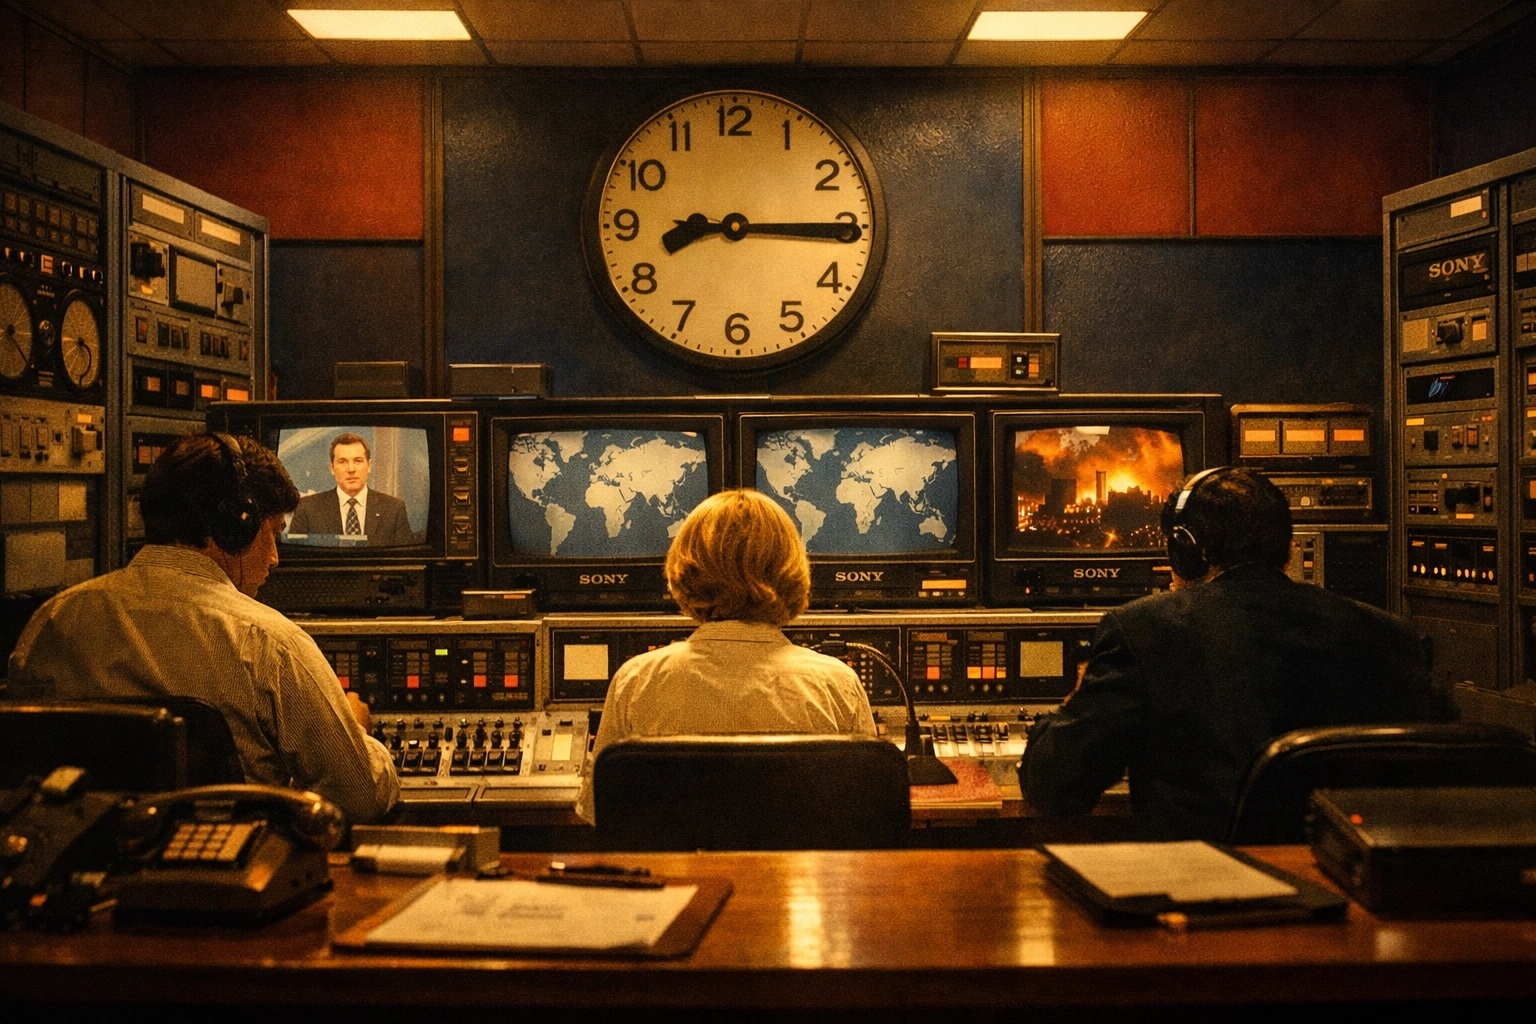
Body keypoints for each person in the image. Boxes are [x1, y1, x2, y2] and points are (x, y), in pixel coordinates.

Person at [1018, 466, 1448, 842]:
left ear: (1185, 551)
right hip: (1339, 885)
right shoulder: (1392, 635)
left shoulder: (1144, 631)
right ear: (1290, 549)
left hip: (1202, 890)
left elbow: (1054, 788)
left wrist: (1077, 698)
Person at [9, 433, 399, 823]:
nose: (275, 557)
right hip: (224, 859)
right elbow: (360, 799)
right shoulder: (269, 643)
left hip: (91, 856)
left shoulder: (53, 620)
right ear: (236, 524)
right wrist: (357, 733)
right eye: (274, 532)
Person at [574, 489, 877, 824]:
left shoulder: (635, 681)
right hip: (796, 860)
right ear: (792, 572)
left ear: (684, 572)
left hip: (679, 860)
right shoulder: (838, 685)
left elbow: (600, 814)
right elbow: (867, 815)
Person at [286, 432, 416, 547]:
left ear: (369, 466)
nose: (351, 469)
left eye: (358, 461)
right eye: (342, 462)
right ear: (332, 468)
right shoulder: (307, 508)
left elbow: (404, 557)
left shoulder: (394, 508)